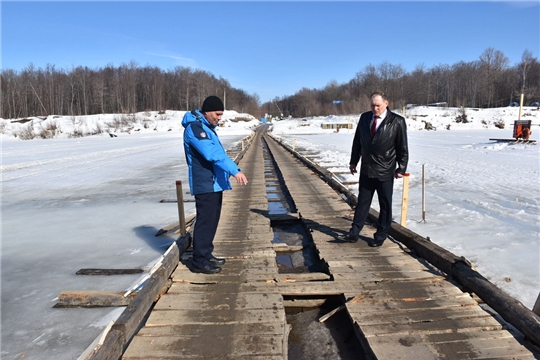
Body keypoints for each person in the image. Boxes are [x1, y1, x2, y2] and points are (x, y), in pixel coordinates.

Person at [182, 95, 248, 274]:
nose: (219, 118)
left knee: (212, 221)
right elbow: (212, 154)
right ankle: (199, 262)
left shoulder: (205, 127)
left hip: (213, 183)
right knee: (205, 222)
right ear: (207, 111)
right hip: (205, 184)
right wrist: (235, 170)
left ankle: (206, 254)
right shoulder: (195, 129)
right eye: (217, 114)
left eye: (221, 115)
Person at [338, 91, 408, 247]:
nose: (375, 108)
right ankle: (354, 232)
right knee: (362, 203)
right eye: (372, 105)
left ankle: (380, 235)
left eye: (378, 105)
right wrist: (353, 161)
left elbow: (402, 147)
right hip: (367, 169)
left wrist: (401, 168)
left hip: (385, 170)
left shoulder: (397, 121)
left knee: (385, 205)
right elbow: (357, 142)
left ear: (386, 103)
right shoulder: (364, 118)